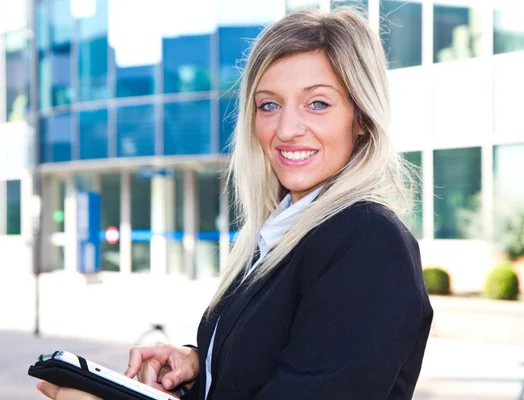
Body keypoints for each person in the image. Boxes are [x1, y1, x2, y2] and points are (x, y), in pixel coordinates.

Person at [36, 8, 433, 400]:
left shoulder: (367, 241)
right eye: (269, 105)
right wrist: (201, 365)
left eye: (317, 104)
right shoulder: (282, 233)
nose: (286, 129)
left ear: (361, 117)